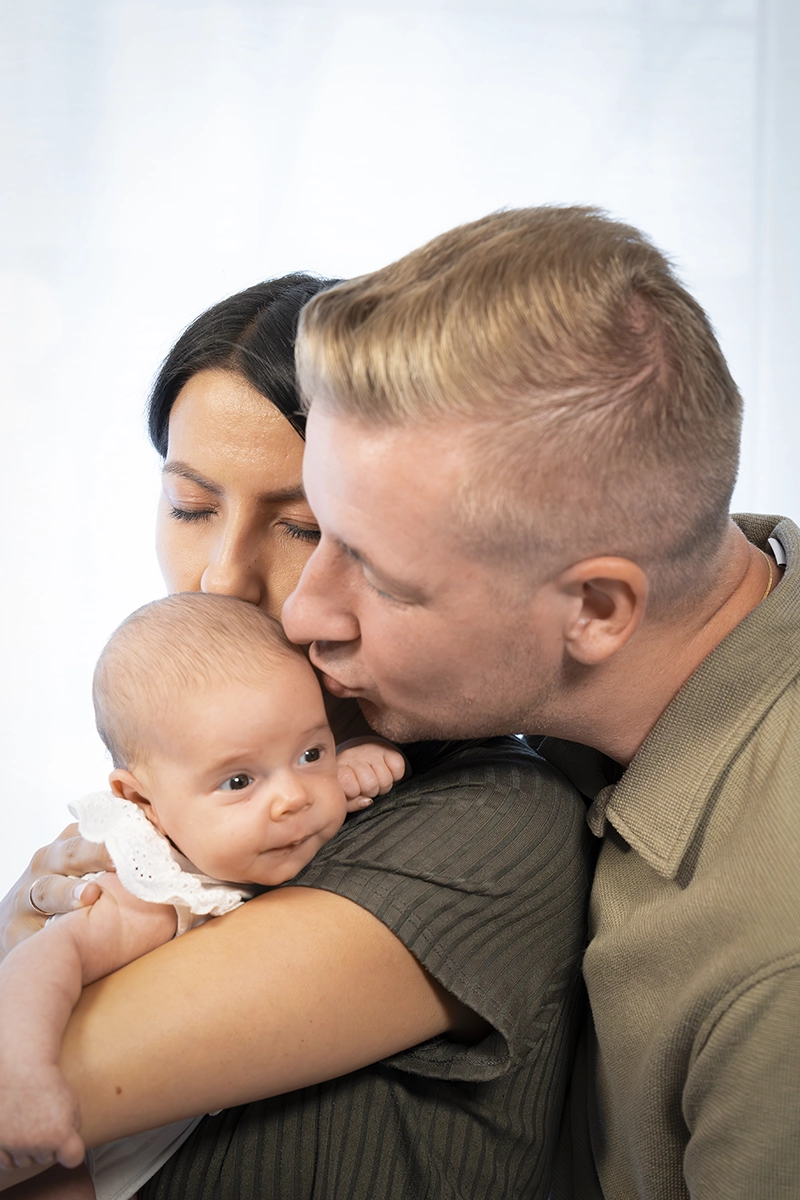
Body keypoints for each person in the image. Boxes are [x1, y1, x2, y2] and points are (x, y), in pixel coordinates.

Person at [0, 274, 591, 1199]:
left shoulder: (496, 823)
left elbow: (36, 1099)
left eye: (300, 525)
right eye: (191, 507)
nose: (221, 577)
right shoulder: (173, 777)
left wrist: (36, 935)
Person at [279, 205, 800, 1199]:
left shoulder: (772, 962)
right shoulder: (619, 657)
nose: (306, 610)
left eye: (382, 580)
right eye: (317, 529)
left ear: (596, 610)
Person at [0, 590, 406, 1198]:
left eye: (310, 750)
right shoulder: (151, 891)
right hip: (73, 1136)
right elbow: (42, 957)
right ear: (142, 803)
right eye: (239, 780)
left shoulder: (270, 816)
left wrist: (345, 766)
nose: (293, 797)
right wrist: (23, 1079)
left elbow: (295, 782)